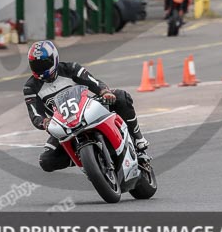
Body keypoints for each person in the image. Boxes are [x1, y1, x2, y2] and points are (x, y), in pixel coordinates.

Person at [24, 40, 149, 172]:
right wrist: (44, 122)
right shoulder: (30, 87)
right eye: (35, 65)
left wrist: (104, 92)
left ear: (54, 58)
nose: (40, 68)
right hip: (62, 123)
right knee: (46, 161)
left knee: (120, 96)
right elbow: (35, 114)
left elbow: (93, 82)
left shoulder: (71, 68)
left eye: (44, 63)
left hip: (86, 109)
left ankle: (138, 139)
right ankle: (86, 159)